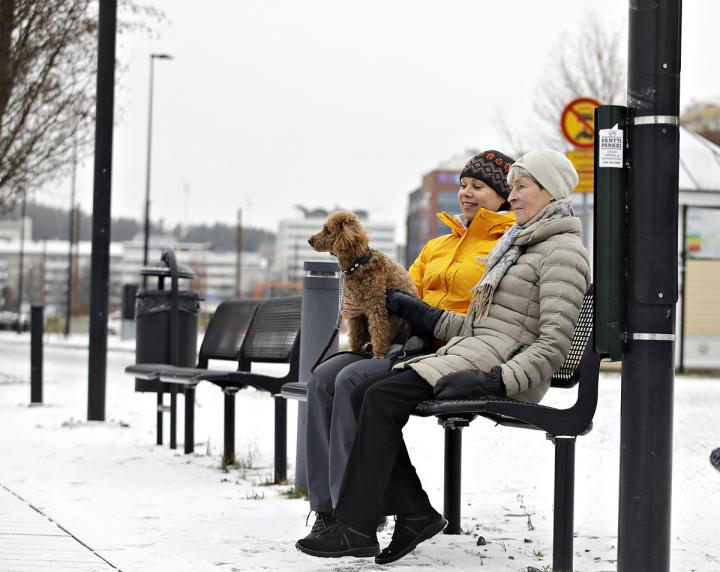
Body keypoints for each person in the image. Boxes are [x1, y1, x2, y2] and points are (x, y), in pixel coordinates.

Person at [295, 148, 591, 564]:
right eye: (514, 187)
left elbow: (554, 344)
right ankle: (407, 513)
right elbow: (476, 325)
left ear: (551, 193)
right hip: (472, 352)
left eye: (522, 187)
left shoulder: (562, 252)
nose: (516, 195)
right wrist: (421, 313)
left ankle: (360, 526)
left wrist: (496, 380)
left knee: (375, 393)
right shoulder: (521, 245)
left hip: (495, 368)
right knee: (368, 392)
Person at [301, 150, 517, 539]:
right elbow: (400, 289)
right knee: (322, 379)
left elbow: (493, 316)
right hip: (409, 342)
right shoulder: (438, 245)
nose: (466, 193)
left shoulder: (505, 246)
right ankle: (326, 507)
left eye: (478, 187)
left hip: (452, 350)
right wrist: (358, 301)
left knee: (351, 380)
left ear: (503, 195)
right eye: (464, 185)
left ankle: (354, 510)